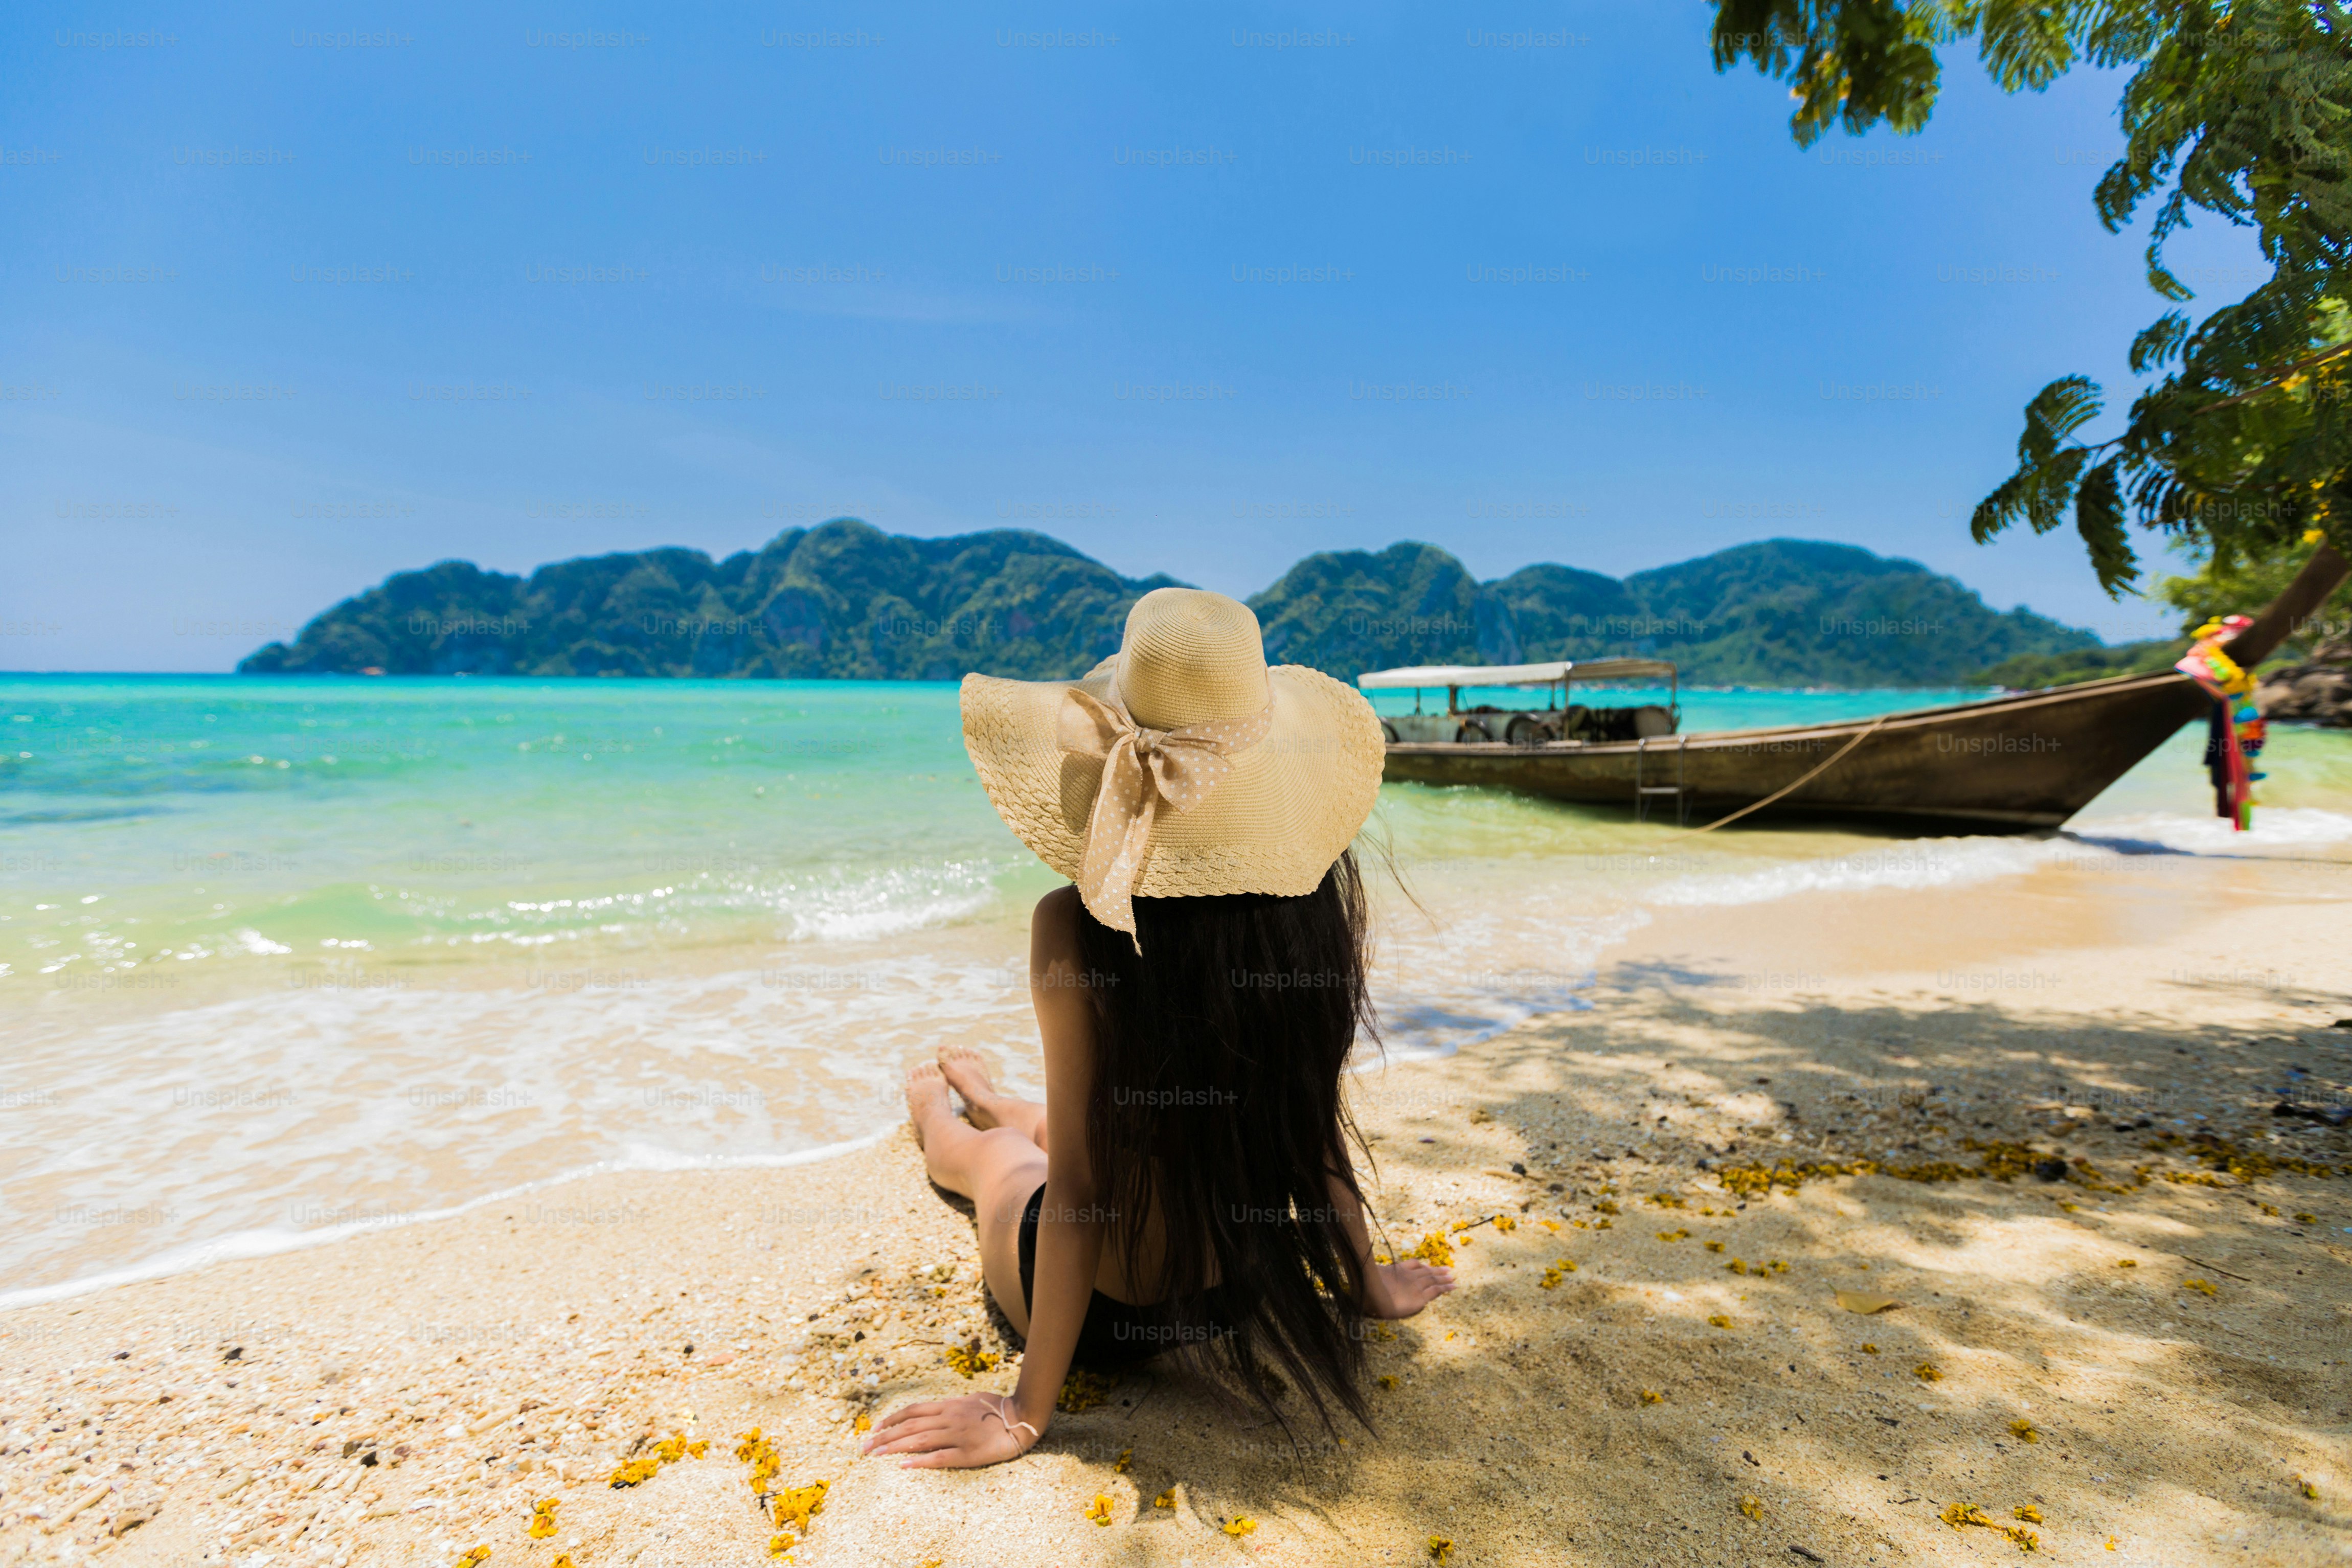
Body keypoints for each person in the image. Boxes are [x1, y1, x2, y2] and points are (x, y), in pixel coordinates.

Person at [864, 587, 1456, 1469]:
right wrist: (1364, 1284)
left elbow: (1081, 1191)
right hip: (1243, 1287)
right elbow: (1313, 1124)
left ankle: (946, 1114)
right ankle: (995, 1096)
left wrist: (1029, 1409)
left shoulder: (1072, 923)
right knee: (1087, 1128)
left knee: (1002, 1164)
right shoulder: (1313, 915)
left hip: (1104, 1314)